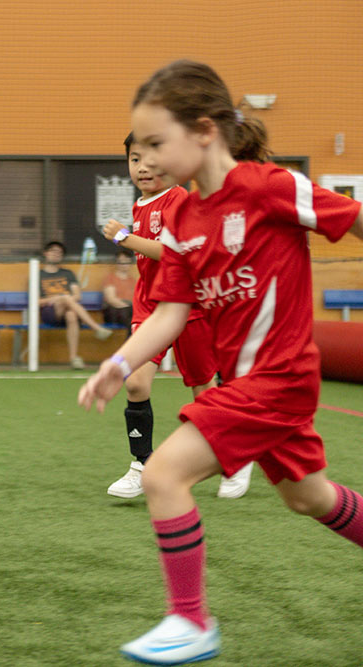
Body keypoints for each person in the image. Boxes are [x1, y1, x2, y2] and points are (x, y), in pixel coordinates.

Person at [79, 59, 363, 665]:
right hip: (250, 384)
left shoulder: (270, 187)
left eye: (157, 143)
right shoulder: (183, 216)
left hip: (279, 379)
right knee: (310, 498)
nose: (146, 159)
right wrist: (119, 363)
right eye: (139, 148)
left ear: (205, 131)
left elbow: (356, 219)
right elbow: (171, 312)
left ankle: (191, 621)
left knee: (163, 474)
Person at [100, 134, 252, 501]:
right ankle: (142, 465)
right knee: (136, 383)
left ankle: (233, 458)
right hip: (150, 305)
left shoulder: (180, 199)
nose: (143, 168)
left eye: (152, 159)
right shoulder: (141, 204)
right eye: (135, 160)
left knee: (203, 392)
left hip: (189, 307)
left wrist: (124, 237)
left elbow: (176, 254)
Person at [39, 240, 113, 369]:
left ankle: (73, 358)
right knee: (66, 298)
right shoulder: (38, 275)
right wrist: (58, 298)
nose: (56, 254)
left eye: (60, 252)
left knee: (71, 315)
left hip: (68, 308)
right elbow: (36, 301)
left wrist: (63, 299)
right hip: (49, 311)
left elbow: (77, 296)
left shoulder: (68, 274)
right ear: (45, 253)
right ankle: (96, 328)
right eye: (53, 251)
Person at [100, 250, 136, 332]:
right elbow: (111, 300)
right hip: (113, 311)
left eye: (126, 262)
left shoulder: (133, 281)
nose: (124, 264)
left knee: (135, 319)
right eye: (121, 262)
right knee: (129, 317)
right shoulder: (110, 278)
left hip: (129, 311)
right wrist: (129, 308)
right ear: (116, 263)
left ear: (130, 264)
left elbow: (136, 300)